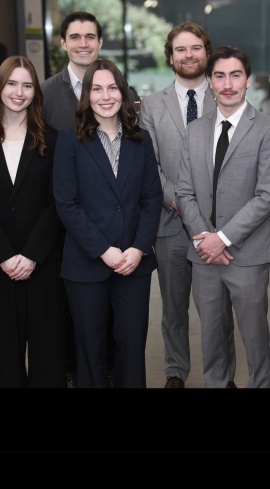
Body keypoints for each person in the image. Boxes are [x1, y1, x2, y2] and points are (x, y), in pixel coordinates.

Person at [175, 46, 270, 388]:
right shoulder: (195, 130)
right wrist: (204, 239)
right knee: (211, 339)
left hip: (247, 255)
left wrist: (221, 239)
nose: (227, 84)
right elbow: (184, 192)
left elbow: (267, 196)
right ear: (210, 82)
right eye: (219, 76)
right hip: (203, 253)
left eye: (235, 75)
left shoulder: (268, 129)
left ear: (248, 81)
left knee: (255, 339)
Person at [53, 59, 162, 388]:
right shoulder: (69, 141)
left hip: (133, 264)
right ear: (86, 95)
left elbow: (151, 199)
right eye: (96, 89)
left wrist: (139, 248)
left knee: (131, 347)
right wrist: (104, 250)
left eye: (112, 88)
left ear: (123, 93)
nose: (105, 96)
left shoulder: (140, 140)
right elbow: (66, 204)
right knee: (91, 348)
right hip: (86, 264)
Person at [0, 56, 65, 388]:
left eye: (26, 85)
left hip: (44, 261)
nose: (18, 92)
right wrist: (5, 255)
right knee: (4, 352)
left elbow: (56, 203)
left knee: (48, 351)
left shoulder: (53, 139)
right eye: (12, 84)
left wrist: (32, 254)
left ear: (36, 91)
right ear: (0, 87)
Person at [138, 22, 217, 389]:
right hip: (169, 223)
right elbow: (148, 165)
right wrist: (182, 205)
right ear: (170, 57)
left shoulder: (226, 97)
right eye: (181, 49)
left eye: (196, 48)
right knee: (173, 309)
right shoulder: (151, 105)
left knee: (218, 311)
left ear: (207, 52)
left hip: (219, 228)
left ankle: (223, 374)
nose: (189, 55)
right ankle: (175, 372)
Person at [40, 11, 114, 387]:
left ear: (100, 42)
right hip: (62, 215)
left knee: (111, 307)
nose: (83, 43)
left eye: (91, 36)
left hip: (110, 218)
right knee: (68, 305)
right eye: (75, 36)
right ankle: (74, 371)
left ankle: (108, 369)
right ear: (64, 43)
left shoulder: (116, 86)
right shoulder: (45, 92)